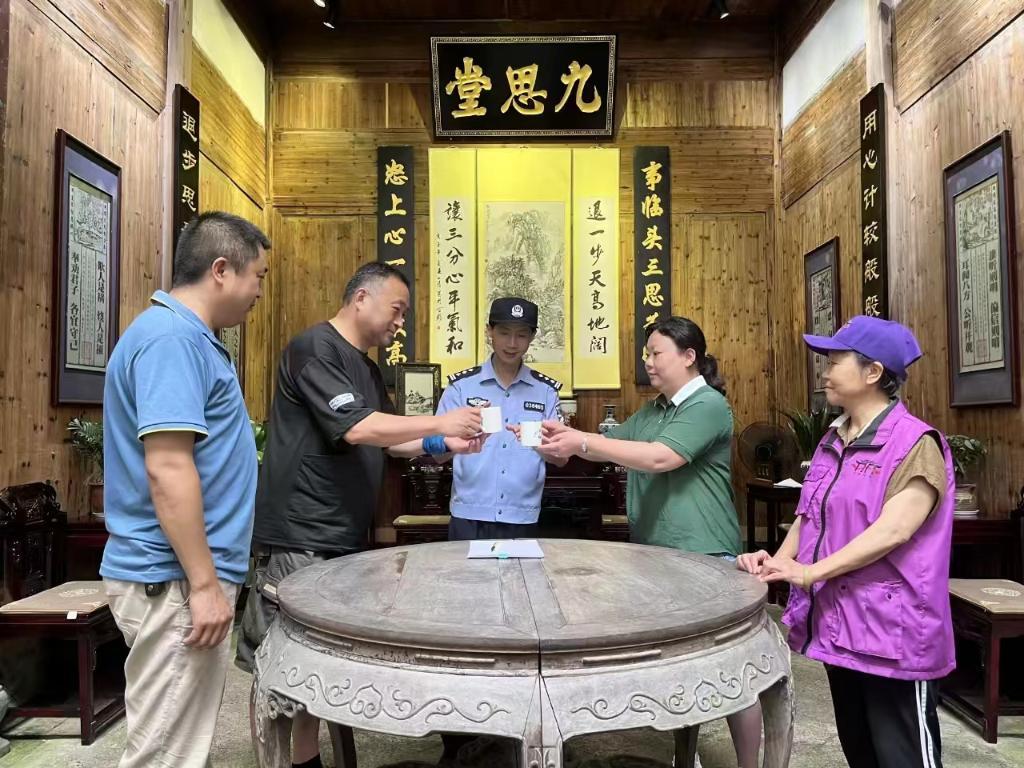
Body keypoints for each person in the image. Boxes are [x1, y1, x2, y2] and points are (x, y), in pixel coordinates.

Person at [236, 261, 484, 768]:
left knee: (318, 664)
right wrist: (441, 420)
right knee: (281, 666)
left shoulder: (366, 369)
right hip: (302, 535)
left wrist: (443, 445)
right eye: (397, 309)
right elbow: (357, 428)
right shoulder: (314, 349)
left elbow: (388, 440)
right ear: (361, 298)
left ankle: (307, 760)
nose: (400, 323)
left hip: (343, 536)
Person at [537, 316, 760, 767]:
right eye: (647, 354)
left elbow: (661, 457)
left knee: (729, 667)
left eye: (656, 353)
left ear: (689, 356)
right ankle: (685, 755)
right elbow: (610, 442)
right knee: (677, 664)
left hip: (704, 552)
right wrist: (564, 441)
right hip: (656, 553)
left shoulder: (708, 404)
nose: (649, 362)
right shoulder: (656, 409)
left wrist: (581, 442)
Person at [737, 316, 953, 768]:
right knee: (860, 750)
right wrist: (776, 562)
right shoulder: (833, 439)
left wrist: (810, 573)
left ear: (873, 372)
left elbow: (894, 530)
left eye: (836, 362)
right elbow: (809, 514)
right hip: (840, 624)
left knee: (904, 756)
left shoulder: (916, 443)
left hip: (893, 634)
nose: (826, 371)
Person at [101, 211, 270, 768]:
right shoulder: (172, 339)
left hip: (180, 577)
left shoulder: (187, 337)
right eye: (257, 276)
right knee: (164, 755)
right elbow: (168, 468)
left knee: (179, 745)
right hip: (175, 580)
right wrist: (203, 583)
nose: (259, 292)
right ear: (221, 270)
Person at [440, 297, 567, 542]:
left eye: (521, 335)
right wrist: (462, 437)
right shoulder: (461, 387)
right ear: (489, 331)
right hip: (469, 514)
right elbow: (437, 453)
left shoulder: (546, 391)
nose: (512, 343)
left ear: (532, 337)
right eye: (504, 333)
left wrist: (539, 443)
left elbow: (561, 459)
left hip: (522, 516)